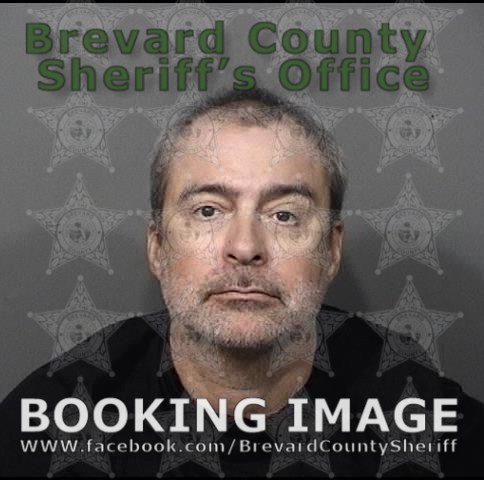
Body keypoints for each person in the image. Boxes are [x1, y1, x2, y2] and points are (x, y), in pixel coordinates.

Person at [1, 88, 483, 478]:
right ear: (158, 247)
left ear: (332, 250)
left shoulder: (415, 410)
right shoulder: (61, 416)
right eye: (208, 211)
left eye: (284, 215)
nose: (246, 246)